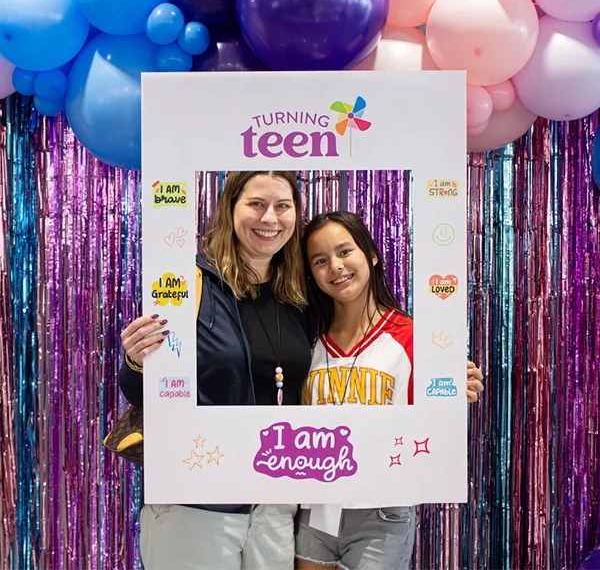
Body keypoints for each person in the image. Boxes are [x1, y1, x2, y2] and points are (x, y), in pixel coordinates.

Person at [118, 171, 313, 570]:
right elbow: (144, 391)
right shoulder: (188, 283)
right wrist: (136, 360)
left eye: (282, 206)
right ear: (230, 208)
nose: (270, 218)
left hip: (274, 505)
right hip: (196, 504)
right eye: (256, 204)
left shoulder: (299, 294)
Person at [295, 211, 484, 570]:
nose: (335, 266)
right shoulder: (305, 339)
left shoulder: (411, 337)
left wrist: (458, 388)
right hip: (315, 507)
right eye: (320, 260)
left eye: (344, 251)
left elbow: (434, 415)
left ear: (371, 255)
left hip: (381, 510)